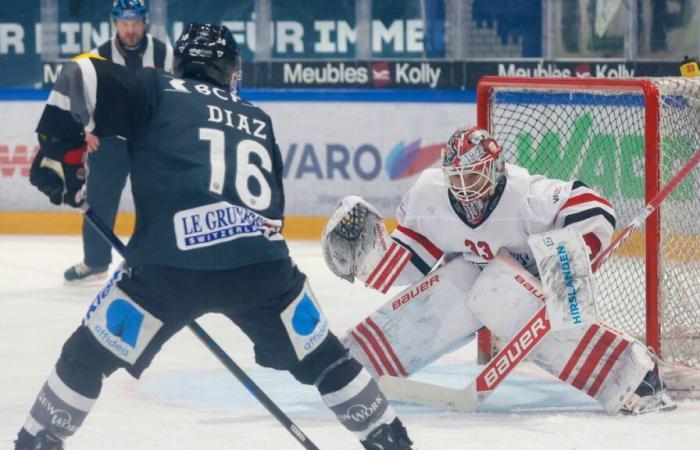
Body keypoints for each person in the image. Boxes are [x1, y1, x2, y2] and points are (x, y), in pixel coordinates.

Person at [16, 23, 414, 450]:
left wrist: (61, 152)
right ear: (229, 71)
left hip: (167, 273)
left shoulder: (158, 90)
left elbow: (80, 76)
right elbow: (272, 216)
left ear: (181, 64)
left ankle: (39, 441)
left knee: (85, 357)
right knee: (326, 358)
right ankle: (390, 440)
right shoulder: (258, 120)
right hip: (263, 271)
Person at [322, 126, 677, 416]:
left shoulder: (528, 197)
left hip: (525, 290)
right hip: (471, 279)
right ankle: (353, 368)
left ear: (494, 170)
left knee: (496, 293)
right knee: (460, 282)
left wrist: (572, 254)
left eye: (473, 178)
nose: (465, 191)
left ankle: (632, 376)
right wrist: (366, 259)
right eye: (457, 179)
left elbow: (594, 206)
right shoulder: (428, 196)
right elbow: (414, 259)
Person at [64, 0, 173, 283]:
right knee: (99, 202)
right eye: (124, 23)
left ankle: (158, 260)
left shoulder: (164, 52)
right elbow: (80, 92)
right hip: (110, 142)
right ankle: (96, 262)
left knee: (157, 201)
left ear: (145, 22)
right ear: (114, 23)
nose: (130, 29)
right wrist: (87, 128)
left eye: (135, 22)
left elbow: (177, 93)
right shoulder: (99, 55)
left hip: (151, 141)